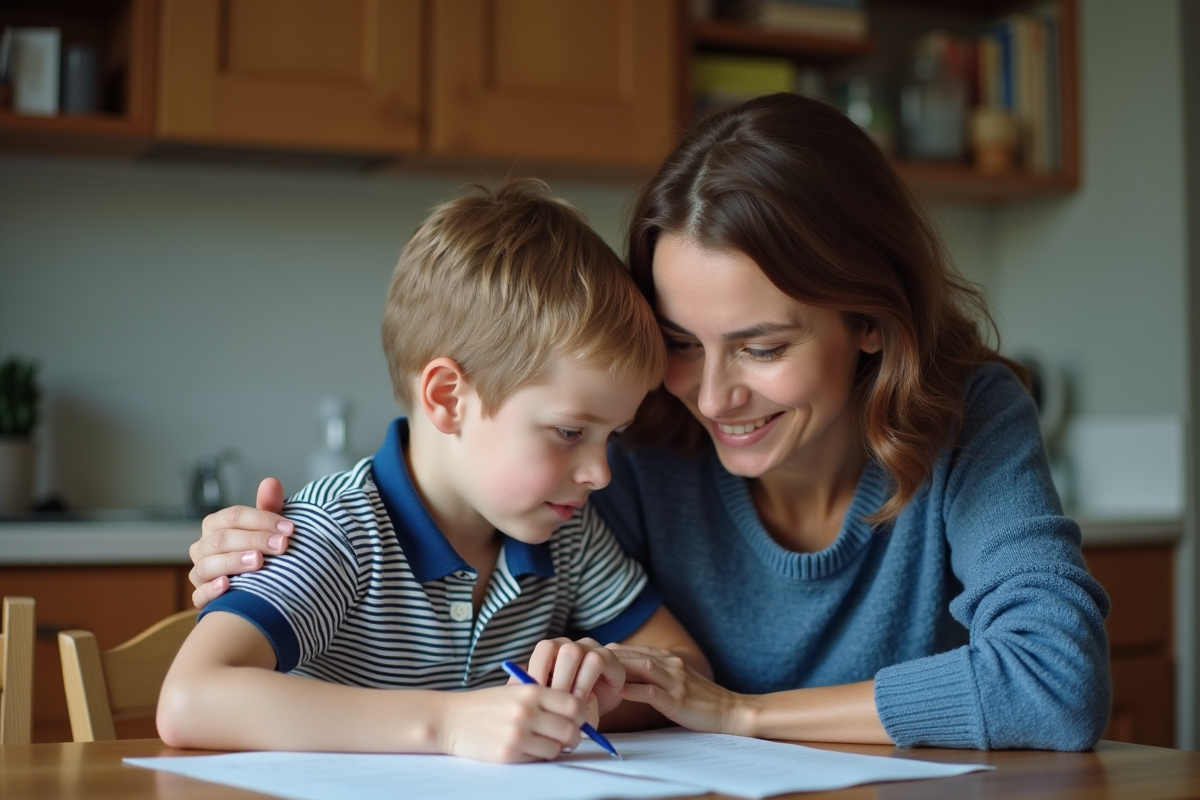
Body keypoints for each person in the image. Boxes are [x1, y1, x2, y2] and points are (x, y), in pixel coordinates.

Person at [185, 94, 1111, 751]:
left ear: (868, 319)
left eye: (759, 345)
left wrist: (740, 715)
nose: (708, 399)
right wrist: (267, 555)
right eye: (678, 343)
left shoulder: (968, 419)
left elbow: (1055, 683)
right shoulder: (621, 443)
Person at [156, 180, 708, 763]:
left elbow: (689, 668)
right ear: (448, 399)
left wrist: (604, 687)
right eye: (570, 433)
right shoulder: (335, 531)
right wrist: (447, 724)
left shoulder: (568, 533)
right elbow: (190, 698)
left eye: (610, 438)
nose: (600, 473)